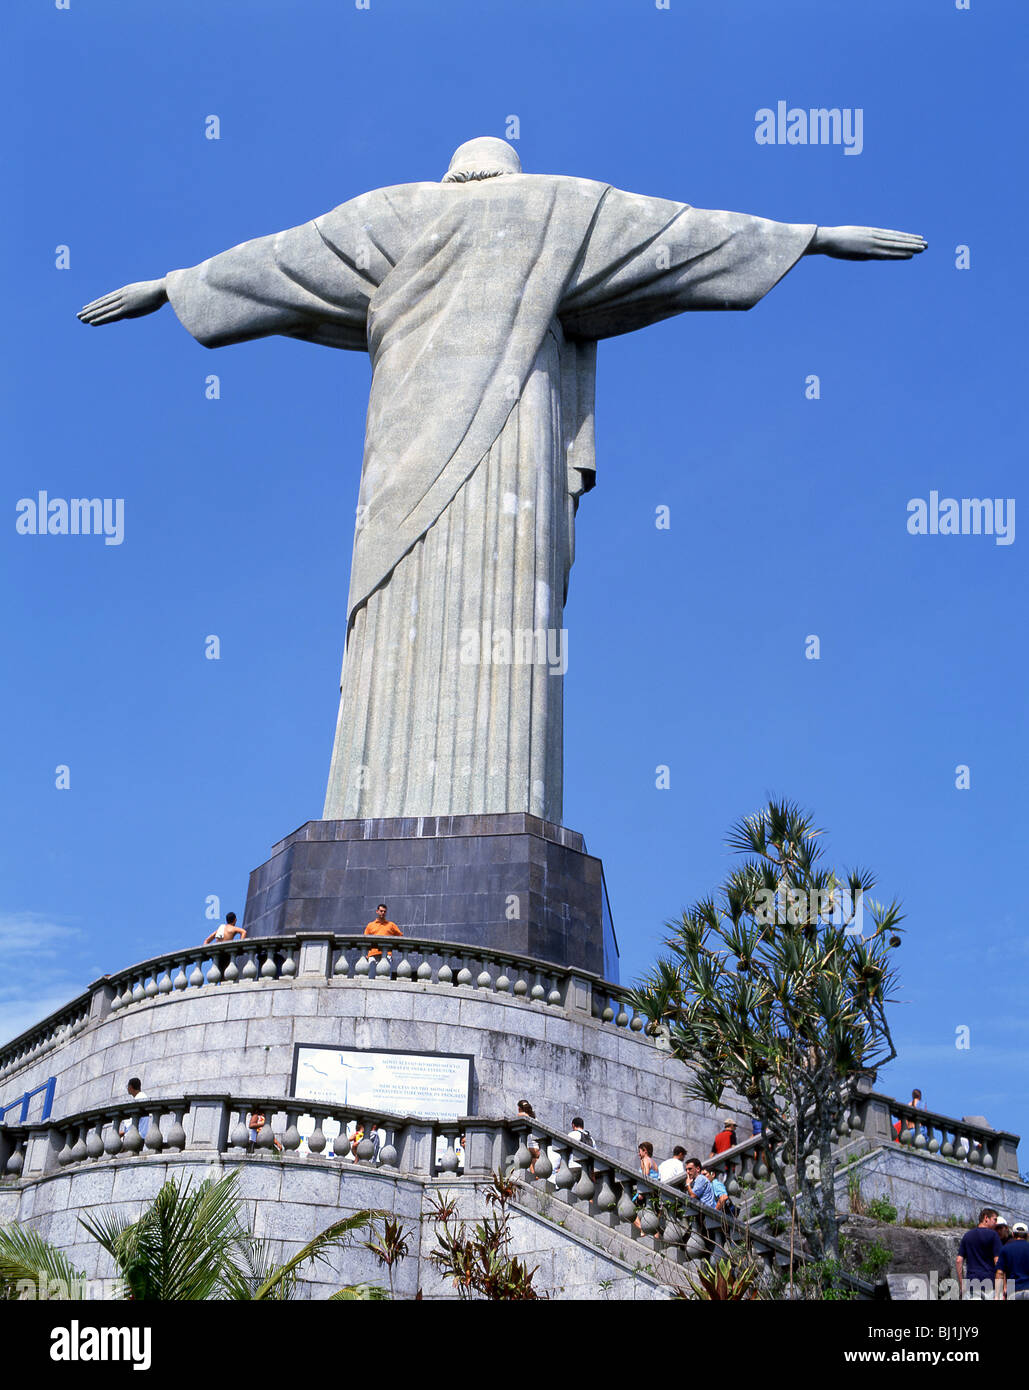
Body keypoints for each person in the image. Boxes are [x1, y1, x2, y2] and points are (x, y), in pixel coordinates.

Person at [80, 140, 925, 827]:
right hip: (512, 434)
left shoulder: (385, 214)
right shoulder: (558, 206)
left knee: (407, 613)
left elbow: (275, 262)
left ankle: (383, 806)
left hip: (402, 447)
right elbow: (679, 236)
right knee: (491, 614)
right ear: (509, 173)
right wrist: (809, 235)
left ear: (452, 173)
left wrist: (171, 286)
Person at [956, 1209, 1003, 1300]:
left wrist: (962, 1284)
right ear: (986, 1218)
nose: (996, 1223)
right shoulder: (993, 1235)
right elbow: (998, 1262)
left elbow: (959, 1260)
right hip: (990, 1284)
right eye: (995, 1219)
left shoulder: (967, 1235)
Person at [998, 1222, 1029, 1300]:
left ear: (1013, 1234)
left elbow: (1000, 1273)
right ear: (1027, 1235)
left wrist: (1001, 1292)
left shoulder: (1005, 1249)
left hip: (1013, 1290)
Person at [516, 1100, 541, 1173]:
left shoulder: (522, 1115)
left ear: (520, 1108)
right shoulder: (535, 1118)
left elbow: (520, 1115)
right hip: (536, 1148)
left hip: (528, 1147)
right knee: (536, 1173)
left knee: (531, 1171)